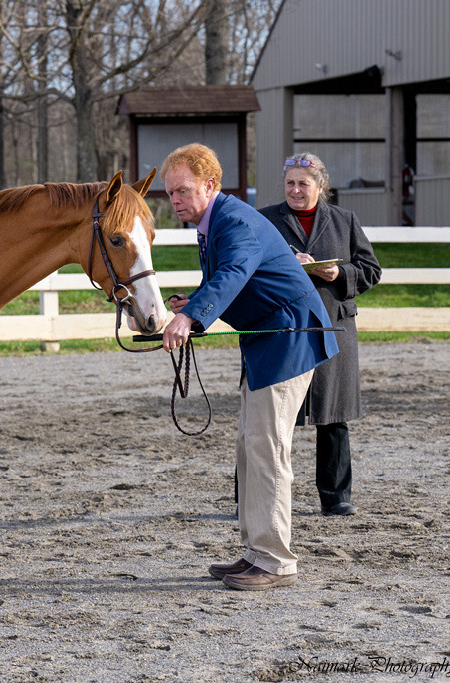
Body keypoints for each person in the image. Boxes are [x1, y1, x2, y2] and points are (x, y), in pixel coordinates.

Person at [160, 143, 338, 591]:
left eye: (182, 190)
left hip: (289, 339)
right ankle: (256, 551)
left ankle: (275, 560)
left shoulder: (234, 221)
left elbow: (234, 271)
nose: (175, 200)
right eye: (170, 193)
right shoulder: (213, 222)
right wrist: (194, 303)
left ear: (210, 185)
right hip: (268, 341)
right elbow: (226, 281)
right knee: (251, 445)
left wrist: (189, 316)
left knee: (267, 448)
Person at [259, 152, 382, 517]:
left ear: (320, 186)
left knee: (334, 416)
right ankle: (254, 496)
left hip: (334, 326)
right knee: (269, 418)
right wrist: (284, 267)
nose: (296, 190)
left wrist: (339, 274)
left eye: (303, 183)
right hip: (283, 330)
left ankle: (336, 496)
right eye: (290, 183)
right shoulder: (266, 220)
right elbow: (249, 269)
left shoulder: (345, 221)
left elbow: (370, 271)